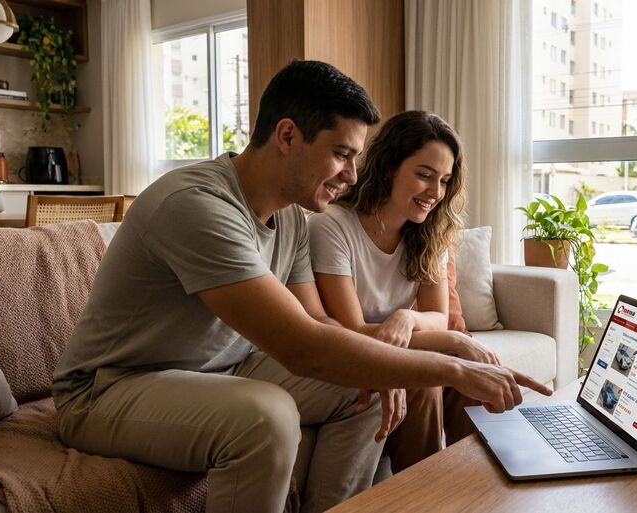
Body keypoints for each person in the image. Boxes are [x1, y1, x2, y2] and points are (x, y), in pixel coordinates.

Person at [51, 60, 551, 513]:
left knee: (369, 382)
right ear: (287, 135)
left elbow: (323, 326)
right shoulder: (196, 205)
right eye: (341, 155)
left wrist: (399, 367)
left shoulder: (289, 217)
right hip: (108, 388)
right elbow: (303, 348)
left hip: (226, 368)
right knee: (265, 417)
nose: (353, 177)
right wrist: (455, 369)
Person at [307, 111, 495, 472]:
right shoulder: (332, 227)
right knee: (424, 375)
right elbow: (353, 331)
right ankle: (424, 497)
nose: (435, 193)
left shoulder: (428, 234)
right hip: (349, 353)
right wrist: (457, 343)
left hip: (395, 343)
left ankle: (477, 489)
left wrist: (406, 317)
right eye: (424, 176)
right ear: (390, 166)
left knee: (471, 369)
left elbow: (438, 319)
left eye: (444, 181)